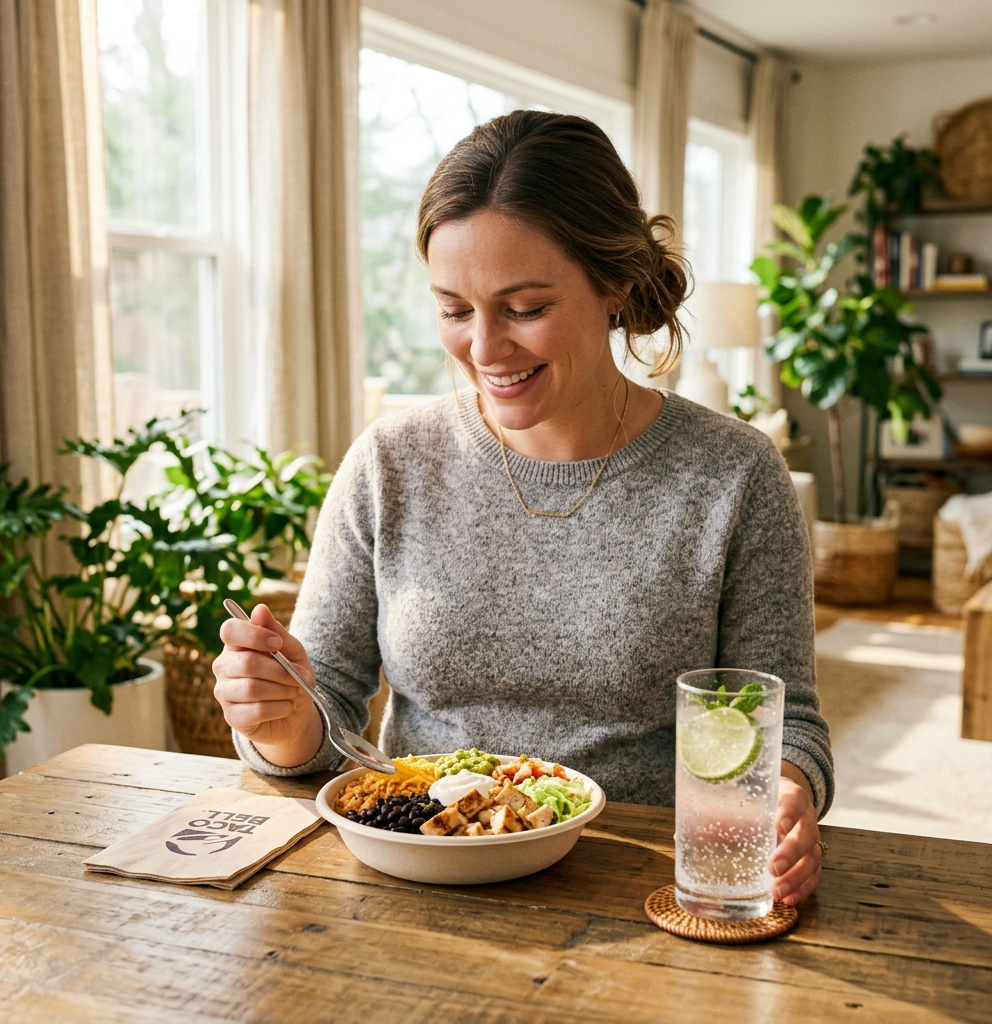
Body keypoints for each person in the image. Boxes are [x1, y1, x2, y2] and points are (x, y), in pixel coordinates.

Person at [212, 111, 833, 907]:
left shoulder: (733, 475)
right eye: (454, 309)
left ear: (618, 286)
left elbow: (785, 728)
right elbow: (323, 714)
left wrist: (785, 796)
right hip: (416, 882)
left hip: (643, 893)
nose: (484, 348)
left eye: (525, 307)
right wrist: (277, 719)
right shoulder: (390, 462)